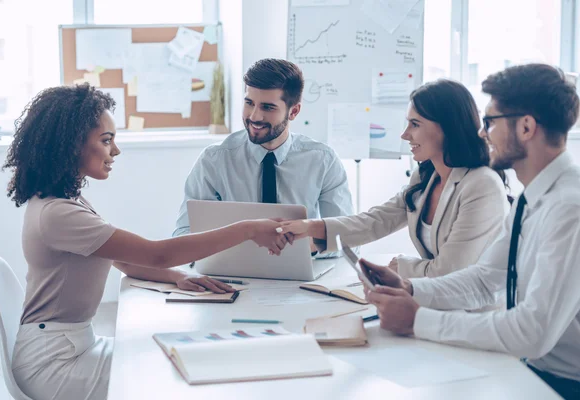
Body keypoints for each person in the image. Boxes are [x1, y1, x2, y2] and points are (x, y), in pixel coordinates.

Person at [3, 84, 289, 400]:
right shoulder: (58, 214)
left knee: (175, 355)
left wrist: (181, 277)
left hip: (68, 345)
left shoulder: (63, 201)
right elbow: (158, 254)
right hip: (53, 364)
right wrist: (247, 229)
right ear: (70, 145)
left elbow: (120, 259)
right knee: (175, 373)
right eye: (106, 140)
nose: (115, 151)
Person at [360, 64, 580, 399]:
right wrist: (410, 288)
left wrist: (418, 320)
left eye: (490, 121)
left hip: (564, 383)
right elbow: (483, 279)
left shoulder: (569, 207)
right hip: (532, 370)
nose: (482, 132)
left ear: (525, 127)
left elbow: (532, 331)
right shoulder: (531, 198)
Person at [279, 79, 510, 279]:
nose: (404, 134)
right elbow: (376, 221)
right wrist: (311, 227)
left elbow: (451, 271)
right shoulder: (425, 175)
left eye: (415, 124)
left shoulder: (482, 185)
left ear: (448, 128)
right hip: (434, 302)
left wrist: (402, 267)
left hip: (474, 315)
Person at [173, 58, 353, 256]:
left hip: (301, 277)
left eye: (268, 107)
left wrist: (303, 246)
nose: (254, 116)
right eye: (249, 103)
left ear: (293, 111)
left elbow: (347, 239)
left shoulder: (323, 161)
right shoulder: (214, 160)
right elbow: (183, 233)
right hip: (229, 275)